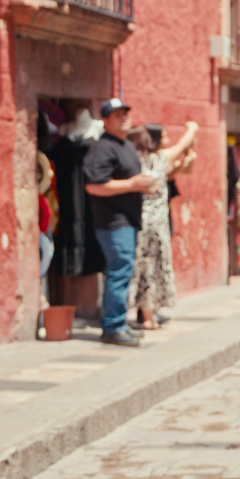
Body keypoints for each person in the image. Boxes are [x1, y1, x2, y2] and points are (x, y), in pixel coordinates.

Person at [83, 98, 159, 347]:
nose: (123, 117)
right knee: (119, 270)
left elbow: (128, 181)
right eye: (116, 115)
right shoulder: (103, 148)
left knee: (124, 271)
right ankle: (113, 327)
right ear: (105, 121)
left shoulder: (124, 145)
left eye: (125, 113)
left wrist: (142, 187)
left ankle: (119, 323)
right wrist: (132, 185)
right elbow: (93, 186)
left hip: (128, 219)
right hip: (113, 222)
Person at [126, 122, 198, 330]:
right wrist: (192, 128)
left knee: (144, 269)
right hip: (154, 224)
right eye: (164, 136)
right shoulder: (156, 159)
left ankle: (146, 313)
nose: (167, 141)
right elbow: (181, 148)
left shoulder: (140, 162)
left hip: (142, 223)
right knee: (150, 269)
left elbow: (177, 171)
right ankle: (147, 317)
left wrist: (189, 157)